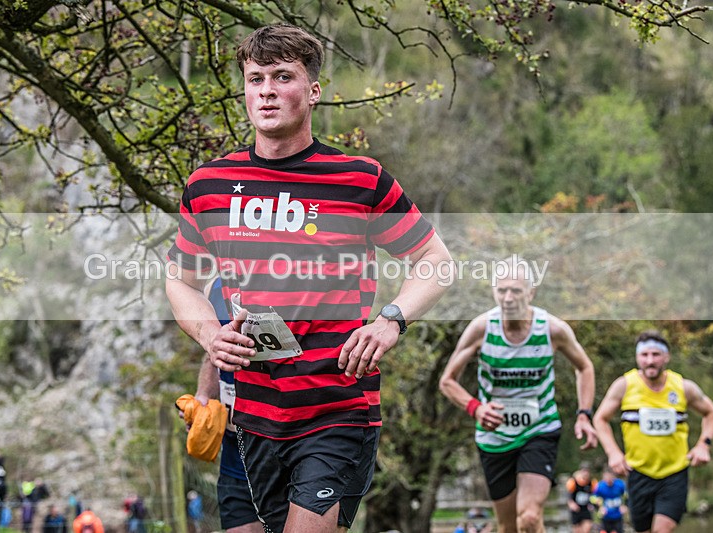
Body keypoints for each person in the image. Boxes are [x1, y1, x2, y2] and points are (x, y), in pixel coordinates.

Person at [165, 23, 452, 533]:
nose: (267, 91)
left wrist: (390, 320)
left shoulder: (359, 180)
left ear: (314, 91)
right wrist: (210, 335)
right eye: (255, 79)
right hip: (255, 414)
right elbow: (181, 280)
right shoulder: (209, 185)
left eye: (283, 76)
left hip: (336, 407)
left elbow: (435, 260)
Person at [439, 257, 598, 533]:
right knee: (508, 526)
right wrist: (476, 408)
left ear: (531, 293)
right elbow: (447, 381)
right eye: (502, 290)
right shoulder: (481, 328)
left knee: (530, 518)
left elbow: (584, 367)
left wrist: (584, 414)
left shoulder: (552, 329)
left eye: (516, 290)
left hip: (539, 429)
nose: (508, 298)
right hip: (494, 436)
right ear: (493, 291)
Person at [593, 330, 713, 533]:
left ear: (666, 357)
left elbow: (711, 412)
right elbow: (600, 419)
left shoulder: (683, 387)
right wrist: (613, 452)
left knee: (662, 529)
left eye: (656, 355)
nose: (650, 361)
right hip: (638, 471)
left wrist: (704, 444)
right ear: (637, 357)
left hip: (674, 472)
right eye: (644, 355)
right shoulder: (624, 386)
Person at [183, 277, 264, 533]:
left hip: (279, 443)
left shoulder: (282, 282)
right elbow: (213, 354)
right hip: (234, 449)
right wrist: (202, 397)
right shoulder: (213, 288)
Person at [591, 467, 627, 533]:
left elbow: (626, 495)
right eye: (606, 477)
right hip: (605, 515)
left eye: (609, 477)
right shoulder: (600, 486)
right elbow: (592, 498)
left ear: (613, 476)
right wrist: (599, 508)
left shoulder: (620, 484)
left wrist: (625, 505)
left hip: (618, 514)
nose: (608, 479)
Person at [566, 466, 596, 533]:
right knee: (577, 530)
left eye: (587, 472)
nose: (585, 474)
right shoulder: (573, 482)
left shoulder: (592, 483)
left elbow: (594, 495)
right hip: (576, 509)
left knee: (587, 528)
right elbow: (569, 495)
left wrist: (592, 504)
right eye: (584, 472)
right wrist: (571, 503)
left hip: (586, 508)